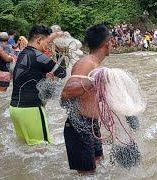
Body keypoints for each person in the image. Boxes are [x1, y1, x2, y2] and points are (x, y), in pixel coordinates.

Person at [61, 24, 111, 175]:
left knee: (99, 163)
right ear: (107, 44)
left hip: (91, 124)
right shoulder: (87, 63)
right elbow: (66, 93)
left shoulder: (95, 64)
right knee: (87, 175)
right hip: (79, 125)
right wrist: (93, 81)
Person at [9, 25, 66, 146]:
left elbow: (30, 76)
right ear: (39, 40)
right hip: (31, 109)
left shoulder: (23, 54)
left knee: (25, 147)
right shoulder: (38, 56)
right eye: (47, 42)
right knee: (43, 147)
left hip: (15, 109)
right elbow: (62, 72)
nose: (48, 46)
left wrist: (45, 78)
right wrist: (61, 50)